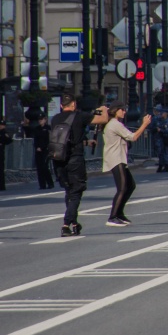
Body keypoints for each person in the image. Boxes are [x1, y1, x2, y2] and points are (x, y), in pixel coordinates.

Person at [50, 94, 109, 237]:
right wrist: (104, 108)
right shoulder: (80, 116)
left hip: (59, 159)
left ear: (61, 105)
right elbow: (103, 119)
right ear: (74, 104)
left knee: (68, 191)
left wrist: (86, 142)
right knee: (76, 191)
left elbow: (66, 139)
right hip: (75, 159)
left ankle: (74, 223)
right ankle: (66, 224)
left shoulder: (55, 119)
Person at [102, 103, 151, 226]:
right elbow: (133, 137)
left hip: (120, 158)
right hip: (116, 159)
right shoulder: (114, 124)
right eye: (122, 110)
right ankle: (113, 216)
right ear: (115, 111)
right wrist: (144, 124)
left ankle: (119, 213)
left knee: (131, 185)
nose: (124, 112)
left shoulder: (115, 123)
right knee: (122, 188)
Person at [25, 117, 54, 189]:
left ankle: (50, 183)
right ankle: (42, 185)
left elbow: (49, 140)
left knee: (45, 167)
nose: (40, 121)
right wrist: (37, 147)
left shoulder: (48, 128)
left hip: (45, 150)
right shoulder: (37, 129)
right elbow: (35, 139)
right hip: (38, 150)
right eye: (39, 120)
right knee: (39, 168)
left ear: (45, 120)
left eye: (41, 120)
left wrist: (43, 147)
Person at [152, 106, 168, 172]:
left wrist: (161, 130)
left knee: (165, 152)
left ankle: (166, 165)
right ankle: (161, 165)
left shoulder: (167, 121)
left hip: (165, 138)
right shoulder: (159, 119)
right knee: (160, 152)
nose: (161, 114)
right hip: (159, 138)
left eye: (162, 113)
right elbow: (152, 127)